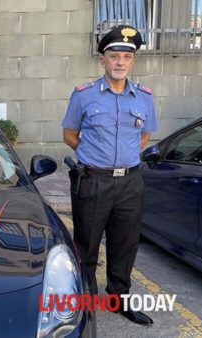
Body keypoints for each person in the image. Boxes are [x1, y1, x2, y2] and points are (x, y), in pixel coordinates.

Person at [61, 25, 158, 325]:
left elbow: (143, 138)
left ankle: (119, 299)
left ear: (132, 62)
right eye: (114, 56)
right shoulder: (83, 95)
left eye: (126, 57)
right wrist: (95, 159)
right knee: (86, 245)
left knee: (125, 244)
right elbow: (70, 135)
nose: (120, 62)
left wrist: (122, 162)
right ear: (103, 60)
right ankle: (86, 301)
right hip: (93, 181)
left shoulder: (143, 97)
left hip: (130, 181)